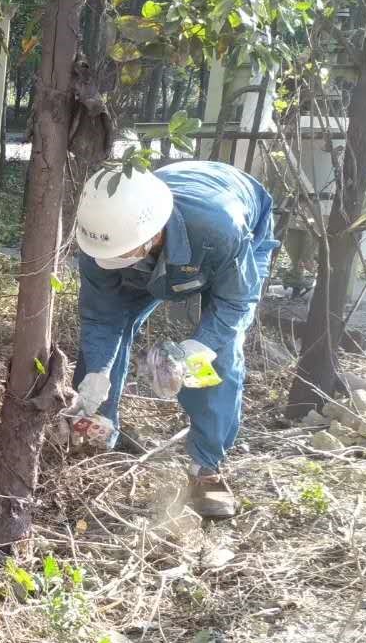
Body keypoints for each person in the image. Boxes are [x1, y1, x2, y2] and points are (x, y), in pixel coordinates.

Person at [71, 160, 279, 520]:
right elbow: (102, 317)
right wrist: (98, 372)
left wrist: (198, 349)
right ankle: (97, 432)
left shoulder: (220, 228)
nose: (113, 261)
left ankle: (206, 467)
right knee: (99, 352)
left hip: (223, 243)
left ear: (152, 234)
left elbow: (235, 303)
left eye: (121, 254)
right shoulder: (102, 242)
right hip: (153, 247)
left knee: (220, 353)